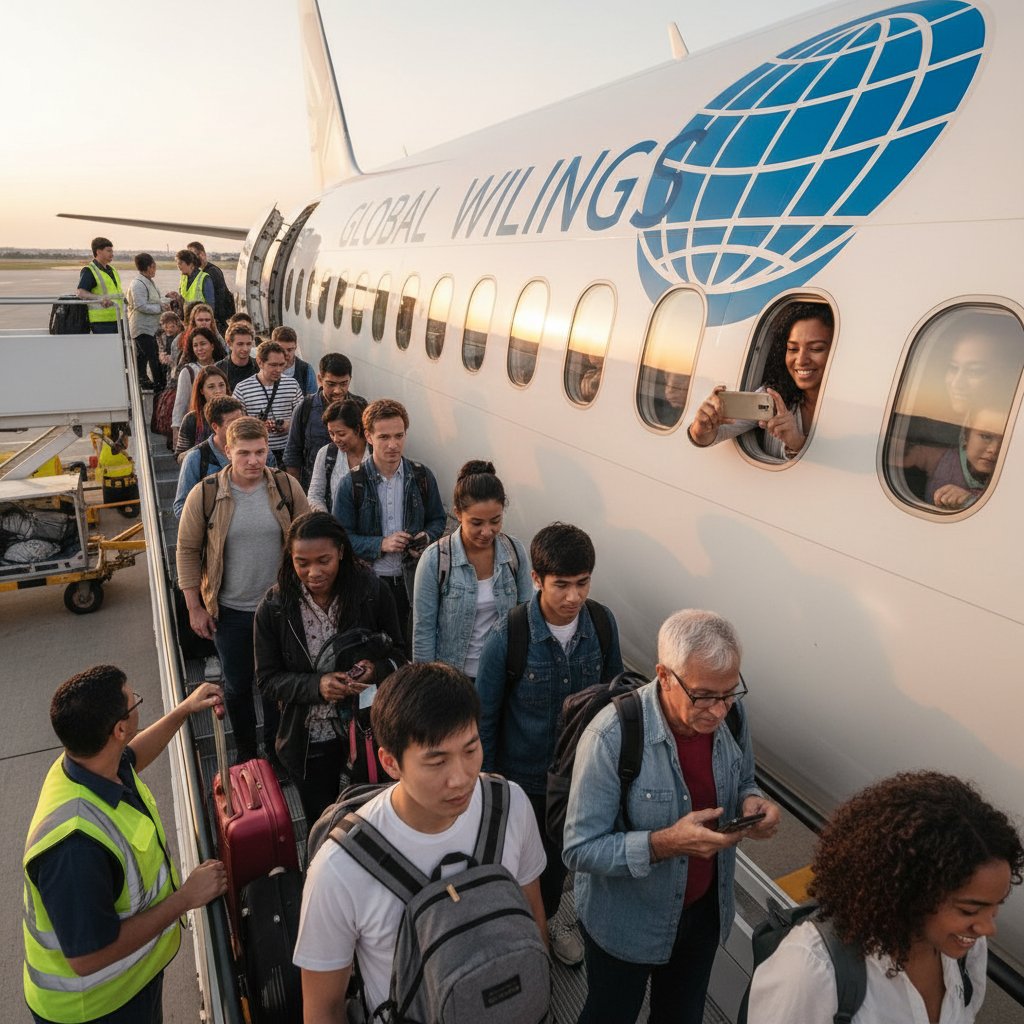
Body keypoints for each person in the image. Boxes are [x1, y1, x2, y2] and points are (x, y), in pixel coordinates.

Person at [294, 661, 548, 1020]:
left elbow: (533, 918)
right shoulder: (338, 869)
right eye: (436, 761)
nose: (460, 778)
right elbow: (324, 1008)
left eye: (471, 750)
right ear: (390, 762)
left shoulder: (510, 805)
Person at [563, 609, 780, 1024]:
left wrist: (753, 803)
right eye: (703, 696)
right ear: (663, 675)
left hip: (702, 918)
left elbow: (744, 779)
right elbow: (579, 849)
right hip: (626, 924)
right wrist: (665, 844)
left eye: (729, 693)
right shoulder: (611, 736)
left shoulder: (733, 716)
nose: (719, 711)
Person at [22, 665, 227, 1024]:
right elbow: (88, 957)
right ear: (119, 729)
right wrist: (185, 898)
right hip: (96, 1010)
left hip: (129, 985)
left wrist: (183, 710)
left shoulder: (88, 762)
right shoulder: (73, 848)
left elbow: (132, 756)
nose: (137, 706)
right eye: (135, 702)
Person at [747, 771, 1024, 1024]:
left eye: (994, 908)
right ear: (912, 892)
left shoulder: (965, 948)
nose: (988, 928)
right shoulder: (810, 971)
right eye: (969, 910)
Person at [474, 520, 623, 965]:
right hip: (523, 780)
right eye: (562, 585)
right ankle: (515, 931)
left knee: (558, 861)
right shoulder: (510, 635)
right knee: (516, 861)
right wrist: (488, 782)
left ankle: (552, 920)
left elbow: (616, 699)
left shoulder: (601, 624)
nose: (574, 596)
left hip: (580, 777)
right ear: (537, 579)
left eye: (582, 583)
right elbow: (485, 716)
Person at [254, 512, 404, 824]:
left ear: (341, 552)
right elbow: (267, 681)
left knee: (371, 820)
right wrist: (317, 686)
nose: (314, 572)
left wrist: (375, 670)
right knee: (322, 823)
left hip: (368, 733)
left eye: (324, 560)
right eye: (302, 563)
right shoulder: (274, 608)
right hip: (309, 740)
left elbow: (400, 656)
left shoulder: (372, 592)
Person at [176, 417, 309, 763]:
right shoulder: (205, 493)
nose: (254, 461)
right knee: (237, 686)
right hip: (231, 612)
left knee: (277, 685)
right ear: (228, 451)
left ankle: (278, 754)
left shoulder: (286, 487)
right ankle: (248, 754)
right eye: (244, 453)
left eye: (260, 452)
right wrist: (194, 607)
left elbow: (308, 538)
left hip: (280, 609)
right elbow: (187, 550)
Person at [332, 399, 447, 652]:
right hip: (370, 583)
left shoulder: (422, 476)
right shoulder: (351, 483)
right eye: (384, 437)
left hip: (413, 582)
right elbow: (339, 539)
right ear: (369, 437)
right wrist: (381, 544)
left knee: (411, 649)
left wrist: (426, 537)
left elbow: (438, 519)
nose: (393, 445)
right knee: (373, 652)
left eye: (399, 436)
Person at [412, 461, 532, 676]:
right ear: (458, 513)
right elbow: (424, 632)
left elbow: (527, 619)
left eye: (495, 521)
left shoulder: (514, 553)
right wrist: (426, 683)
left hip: (501, 675)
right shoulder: (435, 560)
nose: (487, 531)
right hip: (453, 677)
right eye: (477, 523)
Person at [687, 302, 834, 460]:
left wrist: (797, 443)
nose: (801, 360)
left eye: (816, 349)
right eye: (793, 349)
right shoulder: (773, 396)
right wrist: (701, 426)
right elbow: (710, 436)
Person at [283, 352, 364, 490]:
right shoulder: (305, 408)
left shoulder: (361, 407)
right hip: (314, 488)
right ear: (320, 379)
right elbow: (292, 453)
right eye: (331, 384)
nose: (337, 390)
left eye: (344, 384)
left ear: (350, 379)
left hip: (352, 489)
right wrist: (296, 493)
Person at [901, 406, 1004, 509]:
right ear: (966, 435)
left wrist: (969, 501)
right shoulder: (943, 459)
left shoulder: (1008, 483)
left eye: (1004, 441)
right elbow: (902, 456)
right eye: (986, 436)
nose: (994, 449)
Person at [173, 396, 251, 518]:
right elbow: (181, 507)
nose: (239, 427)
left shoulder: (258, 451)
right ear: (215, 427)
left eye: (241, 421)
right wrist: (213, 522)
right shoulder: (195, 458)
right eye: (232, 423)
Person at [232, 339, 305, 458]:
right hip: (257, 452)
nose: (279, 370)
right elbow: (236, 424)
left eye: (282, 364)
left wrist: (289, 424)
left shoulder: (292, 384)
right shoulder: (242, 388)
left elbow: (303, 417)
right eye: (273, 365)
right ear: (260, 362)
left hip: (288, 451)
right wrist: (257, 426)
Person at [307, 399, 370, 514]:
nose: (336, 439)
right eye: (331, 433)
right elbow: (315, 495)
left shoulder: (376, 453)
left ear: (357, 429)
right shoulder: (326, 453)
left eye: (341, 434)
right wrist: (326, 518)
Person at [170, 326, 226, 450]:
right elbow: (180, 403)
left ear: (212, 345)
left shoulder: (224, 366)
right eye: (195, 345)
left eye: (203, 344)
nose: (199, 349)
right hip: (198, 427)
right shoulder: (188, 371)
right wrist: (176, 430)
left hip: (223, 424)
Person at [125, 252, 169, 392]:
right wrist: (160, 308)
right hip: (142, 328)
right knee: (153, 356)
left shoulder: (148, 281)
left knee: (143, 356)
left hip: (150, 327)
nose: (155, 269)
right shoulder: (138, 284)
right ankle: (159, 385)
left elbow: (154, 299)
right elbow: (140, 305)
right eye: (154, 267)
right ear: (149, 267)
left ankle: (143, 381)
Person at [174, 364, 229, 460]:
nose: (218, 391)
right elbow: (180, 458)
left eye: (221, 385)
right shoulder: (191, 419)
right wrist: (210, 444)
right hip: (202, 468)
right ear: (202, 391)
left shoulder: (237, 414)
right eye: (211, 387)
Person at [75, 237, 122, 335]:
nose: (112, 254)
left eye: (112, 251)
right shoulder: (90, 270)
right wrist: (100, 298)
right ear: (98, 252)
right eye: (108, 251)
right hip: (102, 322)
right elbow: (81, 292)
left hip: (117, 318)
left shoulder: (112, 270)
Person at [186, 240, 233, 333]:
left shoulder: (211, 272)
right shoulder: (204, 271)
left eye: (193, 255)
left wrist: (212, 319)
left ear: (202, 254)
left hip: (216, 319)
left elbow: (218, 298)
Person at [272, 325, 317, 395]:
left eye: (289, 350)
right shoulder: (261, 368)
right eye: (281, 350)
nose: (286, 354)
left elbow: (313, 398)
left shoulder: (306, 370)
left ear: (295, 347)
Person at [214, 321, 259, 391]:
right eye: (240, 344)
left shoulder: (259, 366)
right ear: (229, 344)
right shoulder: (219, 368)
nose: (245, 349)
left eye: (248, 344)